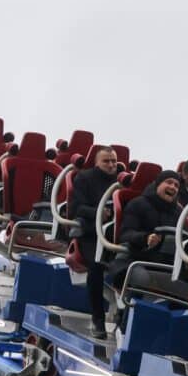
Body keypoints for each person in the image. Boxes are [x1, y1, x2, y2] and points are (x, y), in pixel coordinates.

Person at [68, 145, 121, 339]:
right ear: (97, 162)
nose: (111, 165)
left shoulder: (121, 182)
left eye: (114, 161)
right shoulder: (85, 178)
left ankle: (121, 317)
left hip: (115, 235)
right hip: (90, 233)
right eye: (106, 161)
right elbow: (76, 207)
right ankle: (98, 319)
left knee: (123, 267)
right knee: (96, 267)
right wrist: (100, 213)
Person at [107, 170, 182, 288]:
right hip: (135, 257)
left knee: (184, 286)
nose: (173, 187)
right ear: (158, 184)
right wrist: (146, 238)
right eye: (169, 182)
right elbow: (125, 234)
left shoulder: (179, 213)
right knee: (142, 278)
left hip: (164, 263)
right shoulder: (138, 203)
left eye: (176, 185)